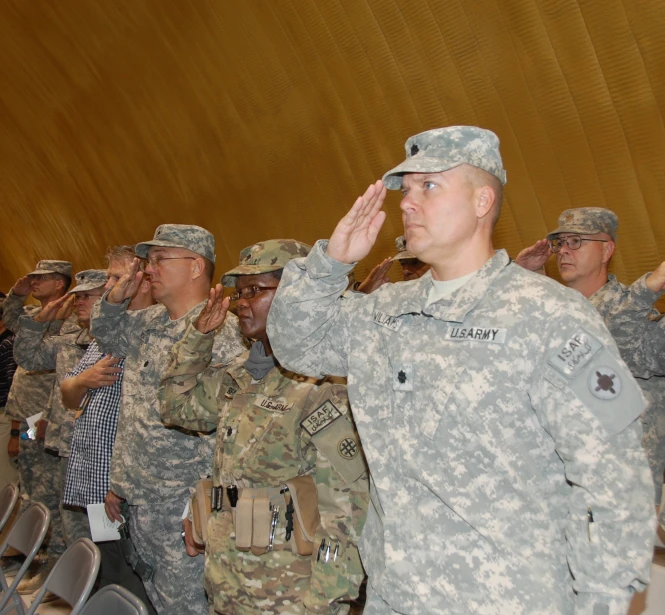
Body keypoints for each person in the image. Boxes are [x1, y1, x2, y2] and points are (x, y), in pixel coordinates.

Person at [267, 126, 655, 614]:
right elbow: (296, 345)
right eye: (406, 190)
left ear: (481, 201)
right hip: (395, 595)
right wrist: (330, 264)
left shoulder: (551, 316)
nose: (408, 202)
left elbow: (616, 481)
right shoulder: (384, 313)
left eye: (429, 186)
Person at [159, 239, 369, 615]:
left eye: (255, 291)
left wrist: (324, 603)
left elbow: (344, 514)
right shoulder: (239, 377)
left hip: (286, 596)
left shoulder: (323, 388)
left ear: (296, 296)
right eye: (239, 293)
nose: (241, 302)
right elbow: (175, 406)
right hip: (227, 585)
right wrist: (198, 338)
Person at [90, 225, 246, 614]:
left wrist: (206, 505)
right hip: (139, 497)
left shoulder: (222, 333)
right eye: (150, 260)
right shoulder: (150, 323)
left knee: (189, 604)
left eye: (161, 259)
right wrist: (119, 482)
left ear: (195, 267)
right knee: (159, 598)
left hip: (181, 502)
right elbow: (105, 337)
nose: (150, 269)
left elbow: (230, 431)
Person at [516, 210, 665, 512]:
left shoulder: (634, 317)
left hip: (618, 484)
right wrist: (521, 278)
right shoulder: (557, 309)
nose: (564, 251)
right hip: (560, 475)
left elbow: (602, 340)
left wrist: (648, 286)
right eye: (559, 243)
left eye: (577, 241)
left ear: (606, 250)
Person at [61, 247, 154, 610]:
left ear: (142, 279)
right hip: (98, 481)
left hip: (122, 486)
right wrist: (85, 379)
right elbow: (68, 392)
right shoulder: (106, 336)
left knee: (129, 573)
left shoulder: (153, 333)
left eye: (116, 279)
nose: (109, 287)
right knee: (111, 566)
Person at [13, 269, 108, 552]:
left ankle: (101, 591)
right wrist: (41, 319)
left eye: (88, 296)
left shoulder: (119, 345)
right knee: (70, 528)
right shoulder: (71, 342)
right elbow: (27, 356)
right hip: (65, 449)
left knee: (104, 536)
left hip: (98, 457)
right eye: (77, 296)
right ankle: (70, 582)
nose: (79, 301)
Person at [2, 259, 77, 590]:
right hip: (27, 417)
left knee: (47, 490)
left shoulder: (67, 321)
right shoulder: (36, 315)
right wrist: (15, 297)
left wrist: (31, 426)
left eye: (40, 278)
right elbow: (10, 323)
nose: (33, 281)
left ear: (59, 283)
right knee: (31, 485)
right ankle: (31, 555)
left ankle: (49, 563)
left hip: (44, 419)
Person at [355, 236, 430, 294]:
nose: (405, 271)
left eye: (415, 263)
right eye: (403, 264)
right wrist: (364, 294)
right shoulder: (399, 297)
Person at [0, 293, 18, 490]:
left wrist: (14, 433)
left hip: (5, 418)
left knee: (5, 480)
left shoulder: (8, 344)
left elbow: (14, 390)